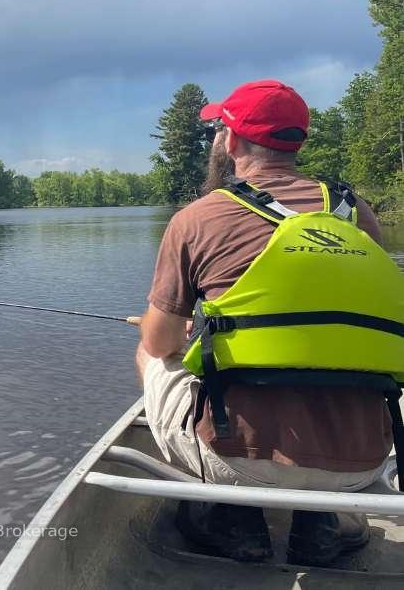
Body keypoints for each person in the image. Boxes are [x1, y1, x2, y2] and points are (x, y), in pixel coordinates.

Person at [135, 79, 401, 566]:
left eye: (218, 129)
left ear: (231, 140)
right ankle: (318, 521)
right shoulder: (355, 212)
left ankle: (234, 517)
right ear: (296, 142)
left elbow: (161, 341)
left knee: (148, 349)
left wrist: (190, 334)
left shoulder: (196, 218)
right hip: (363, 459)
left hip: (240, 460)